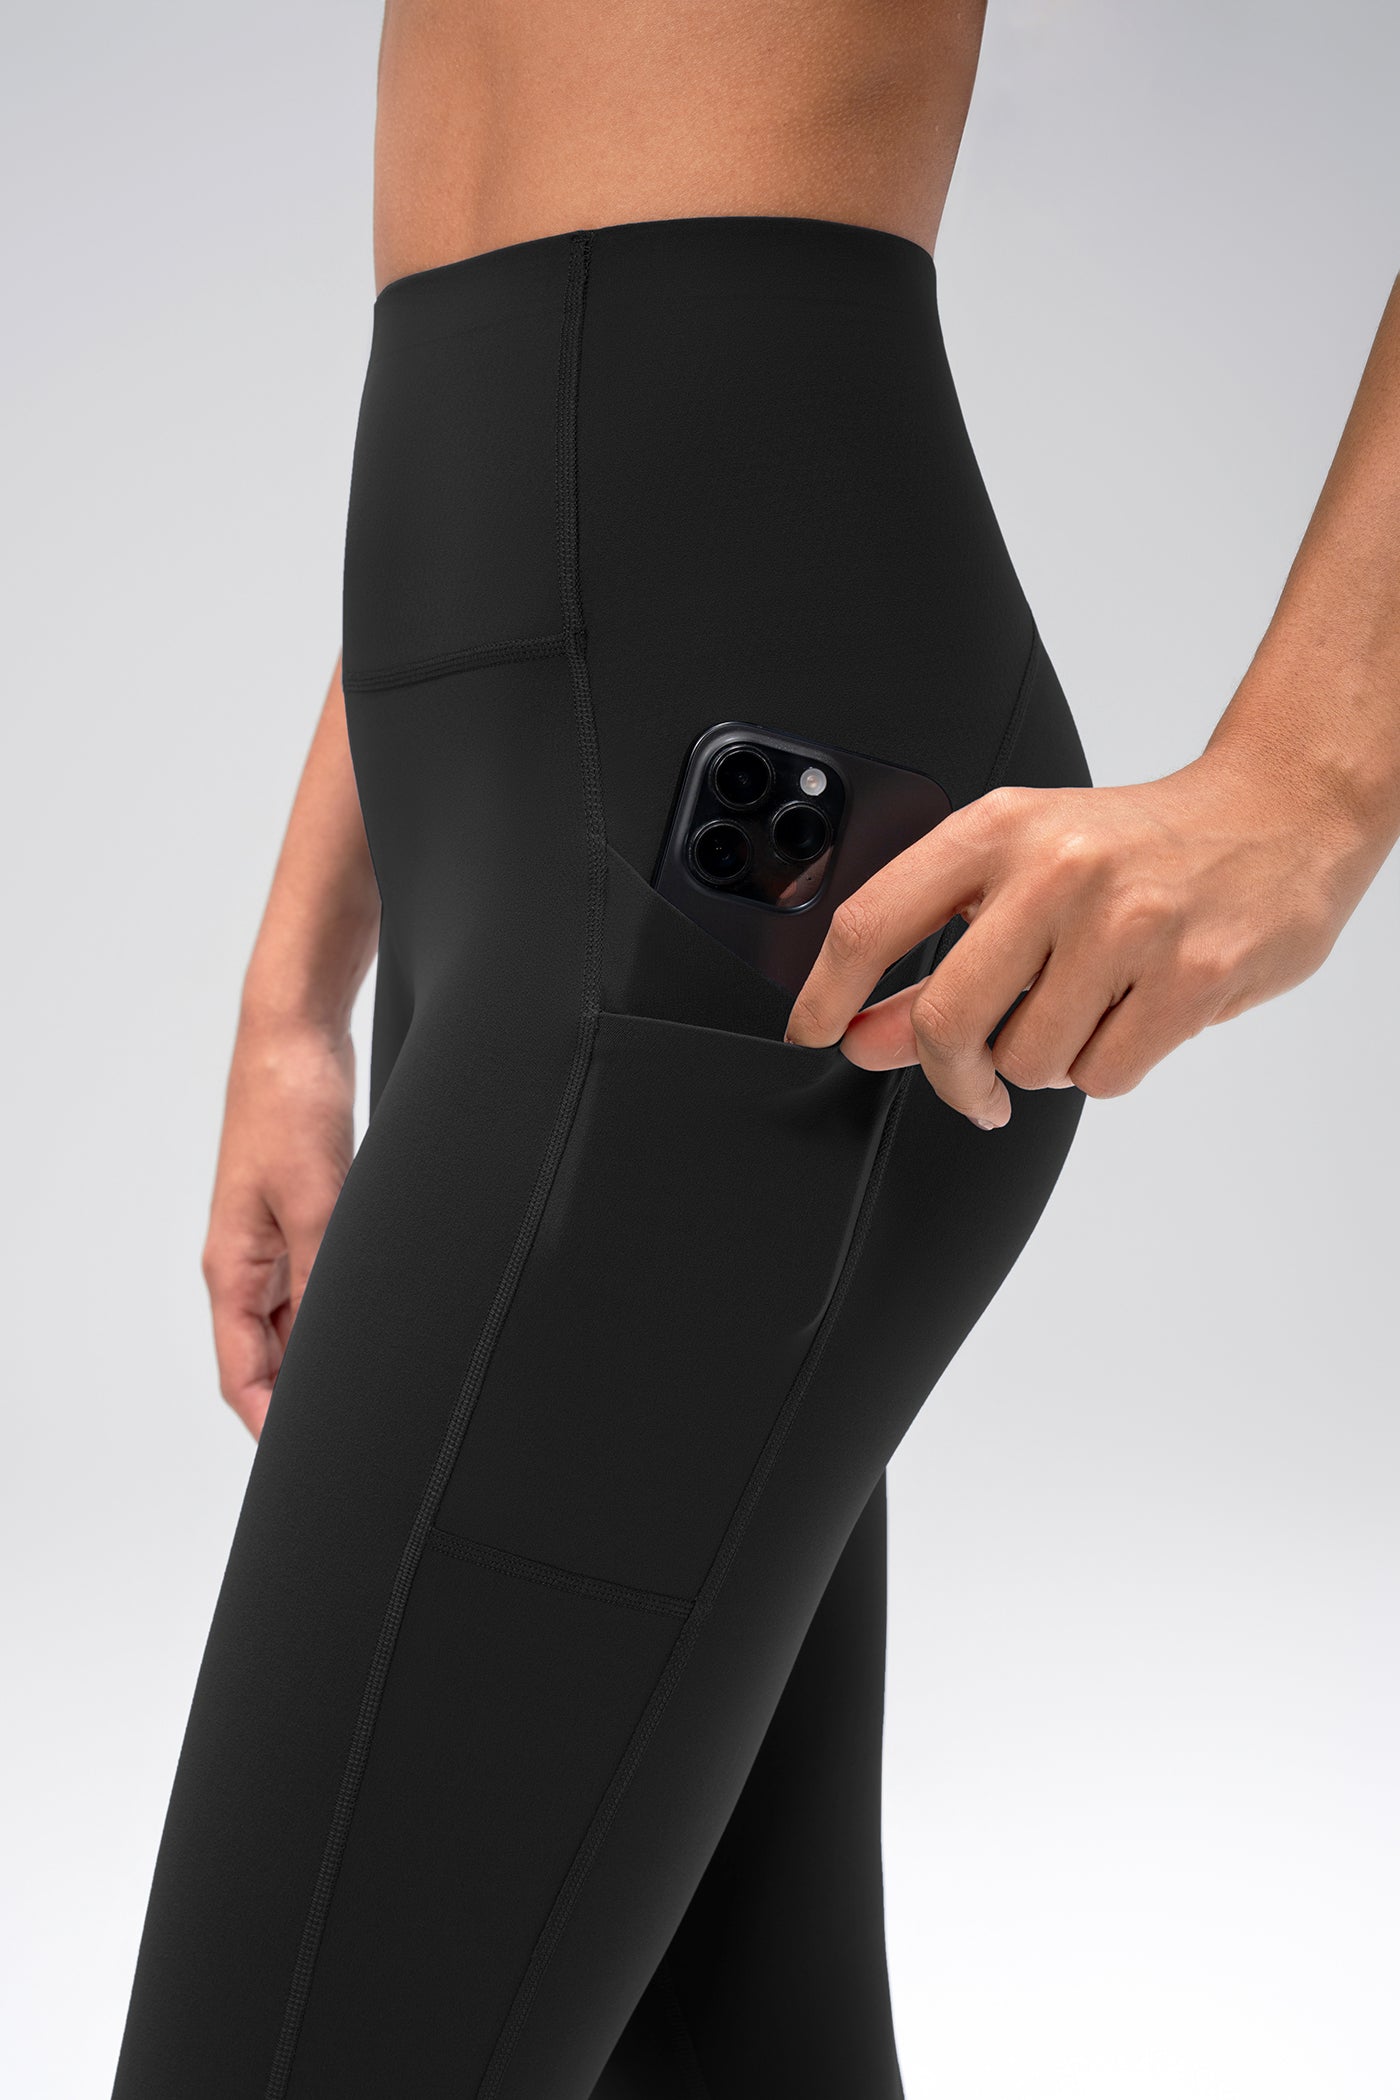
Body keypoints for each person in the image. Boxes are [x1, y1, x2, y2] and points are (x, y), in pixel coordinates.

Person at [112, 5, 1400, 2096]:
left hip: (751, 910)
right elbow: (526, 383)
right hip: (523, 861)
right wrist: (299, 988)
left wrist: (1316, 780)